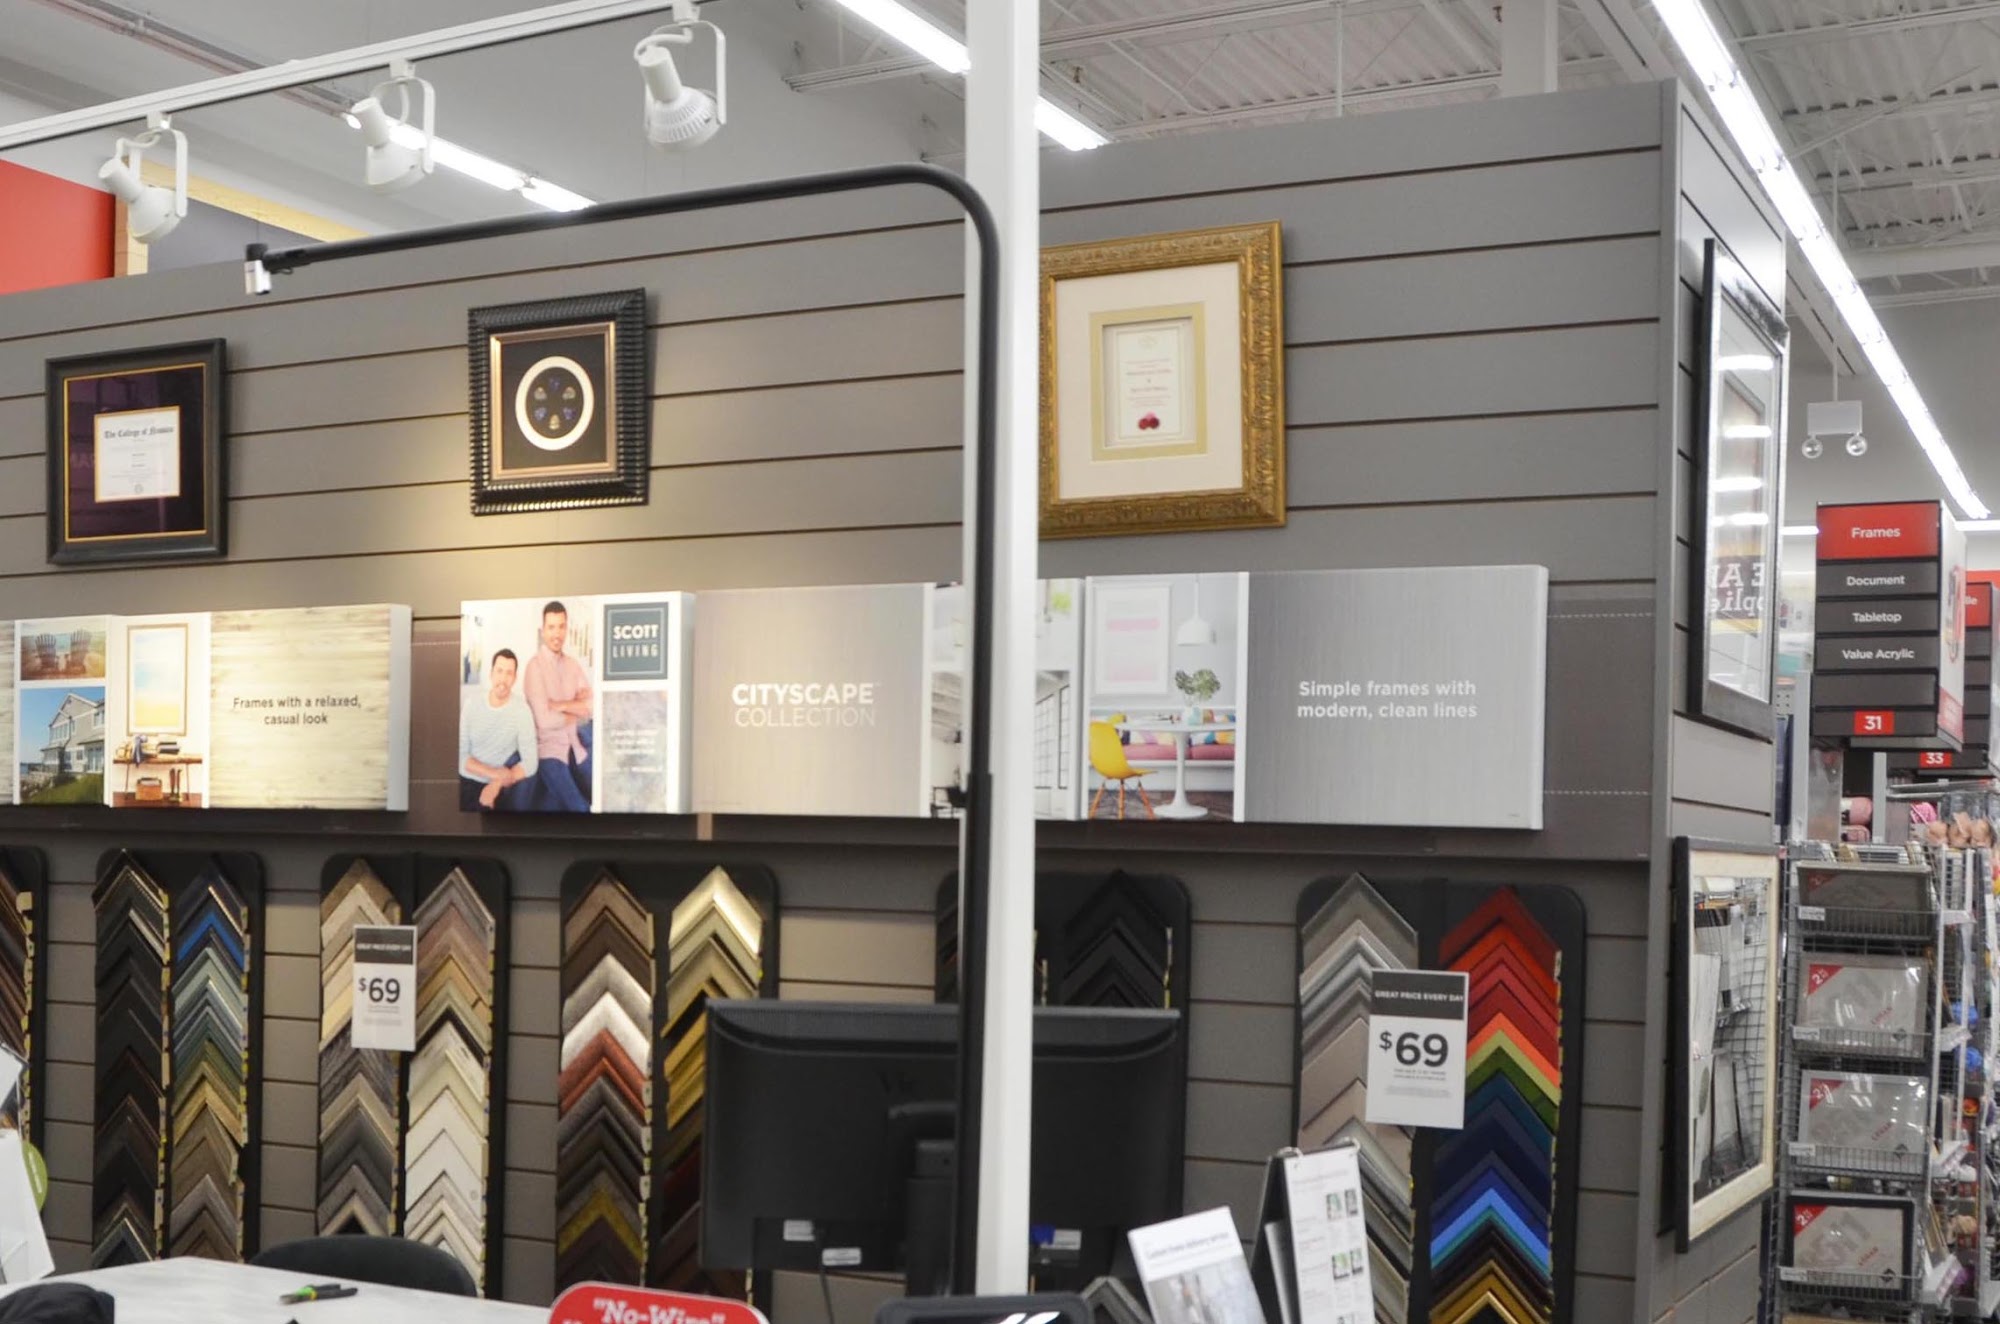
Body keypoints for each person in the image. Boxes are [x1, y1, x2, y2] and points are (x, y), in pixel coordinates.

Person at [459, 649, 583, 812]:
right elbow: (461, 758)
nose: (503, 679)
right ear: (491, 674)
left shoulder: (522, 711)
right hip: (468, 781)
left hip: (501, 787)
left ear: (515, 678)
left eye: (509, 673)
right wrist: (495, 774)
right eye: (499, 671)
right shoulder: (471, 704)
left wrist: (496, 784)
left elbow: (530, 763)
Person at [523, 600, 595, 807]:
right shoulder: (534, 667)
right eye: (551, 627)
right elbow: (544, 720)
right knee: (580, 808)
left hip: (577, 747)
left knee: (605, 797)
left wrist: (560, 705)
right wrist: (575, 711)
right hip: (549, 752)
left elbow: (591, 707)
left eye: (561, 627)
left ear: (566, 629)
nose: (557, 634)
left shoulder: (573, 665)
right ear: (543, 630)